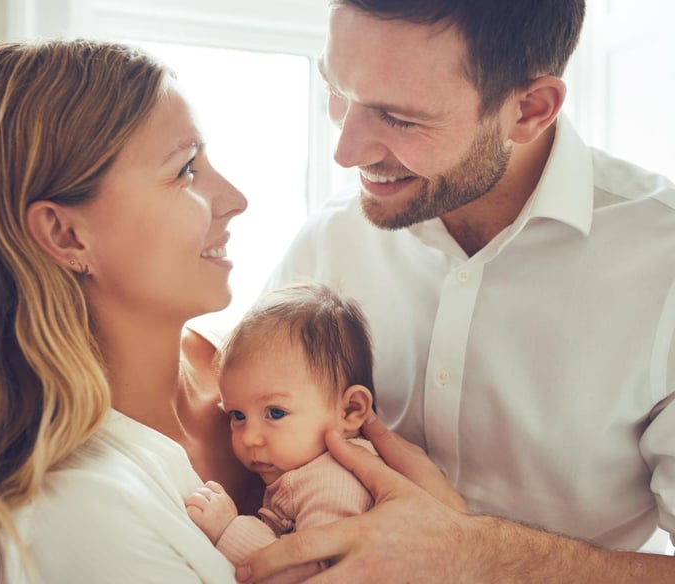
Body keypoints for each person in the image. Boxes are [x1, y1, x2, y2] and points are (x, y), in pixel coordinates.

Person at [238, 0, 675, 582]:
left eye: (399, 118)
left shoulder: (663, 264)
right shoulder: (332, 237)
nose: (346, 151)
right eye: (337, 89)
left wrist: (476, 553)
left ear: (530, 109)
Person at [0, 39, 271, 583]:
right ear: (65, 234)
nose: (236, 198)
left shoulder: (269, 360)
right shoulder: (77, 512)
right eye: (186, 170)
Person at [186, 283, 417, 583]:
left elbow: (316, 572)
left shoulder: (334, 481)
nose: (249, 437)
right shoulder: (309, 471)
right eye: (238, 415)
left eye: (275, 413)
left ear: (350, 411)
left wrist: (229, 530)